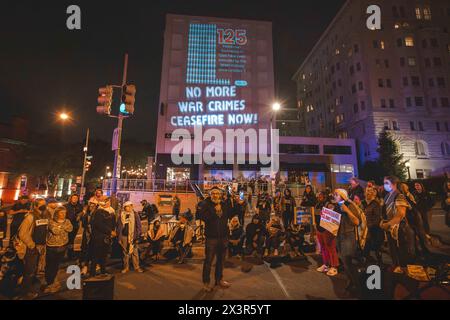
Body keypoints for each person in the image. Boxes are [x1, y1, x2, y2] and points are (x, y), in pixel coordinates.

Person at [196, 187, 232, 292]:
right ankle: (206, 283)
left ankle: (219, 280)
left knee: (221, 261)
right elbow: (203, 217)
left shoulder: (224, 204)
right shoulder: (206, 205)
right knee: (208, 261)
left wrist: (240, 205)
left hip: (223, 237)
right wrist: (214, 211)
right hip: (211, 238)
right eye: (213, 193)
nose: (215, 195)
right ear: (210, 195)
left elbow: (230, 214)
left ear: (220, 195)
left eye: (217, 193)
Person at [17, 198, 51, 299]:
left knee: (35, 270)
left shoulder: (45, 215)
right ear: (35, 206)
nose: (44, 206)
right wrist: (31, 245)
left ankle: (29, 288)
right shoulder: (30, 217)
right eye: (41, 205)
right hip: (31, 247)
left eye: (45, 204)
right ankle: (24, 293)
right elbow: (22, 233)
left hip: (41, 246)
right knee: (30, 271)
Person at [380, 176, 414, 274]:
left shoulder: (399, 196)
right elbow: (385, 211)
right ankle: (396, 265)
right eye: (384, 183)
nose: (384, 185)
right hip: (391, 227)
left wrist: (388, 224)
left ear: (394, 184)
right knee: (393, 248)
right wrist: (383, 221)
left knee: (401, 249)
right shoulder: (387, 196)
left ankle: (404, 270)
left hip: (399, 228)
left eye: (386, 183)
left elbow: (400, 214)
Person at [332, 189, 361, 291]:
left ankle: (357, 284)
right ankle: (351, 281)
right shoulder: (336, 206)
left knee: (348, 261)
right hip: (339, 236)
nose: (334, 196)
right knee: (344, 261)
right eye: (334, 194)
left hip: (348, 236)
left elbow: (357, 222)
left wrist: (347, 210)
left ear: (343, 195)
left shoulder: (350, 205)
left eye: (336, 194)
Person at [43, 206, 73, 293]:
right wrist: (63, 227)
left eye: (65, 213)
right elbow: (55, 231)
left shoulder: (67, 221)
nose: (63, 214)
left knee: (56, 264)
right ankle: (49, 282)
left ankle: (53, 280)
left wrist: (61, 227)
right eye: (61, 213)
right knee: (50, 265)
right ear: (57, 213)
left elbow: (70, 228)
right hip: (52, 246)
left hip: (62, 246)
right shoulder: (51, 221)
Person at [90, 197, 116, 276]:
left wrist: (112, 231)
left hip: (106, 237)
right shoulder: (98, 212)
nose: (106, 202)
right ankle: (93, 272)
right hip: (98, 237)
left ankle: (103, 270)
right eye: (104, 201)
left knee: (104, 255)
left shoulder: (111, 212)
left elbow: (112, 224)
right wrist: (110, 231)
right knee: (96, 255)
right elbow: (99, 224)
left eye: (108, 201)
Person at [314, 192, 339, 275]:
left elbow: (333, 215)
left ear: (324, 196)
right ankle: (326, 264)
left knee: (331, 248)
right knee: (324, 248)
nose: (319, 197)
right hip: (319, 229)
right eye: (318, 196)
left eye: (321, 196)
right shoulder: (317, 204)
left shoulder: (329, 204)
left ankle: (334, 266)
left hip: (327, 229)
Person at [117, 201, 144, 273]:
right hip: (124, 236)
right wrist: (119, 237)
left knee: (134, 252)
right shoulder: (121, 215)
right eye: (126, 206)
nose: (127, 208)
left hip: (133, 236)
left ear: (131, 207)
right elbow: (119, 227)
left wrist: (137, 236)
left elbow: (139, 226)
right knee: (125, 252)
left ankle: (137, 267)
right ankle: (126, 267)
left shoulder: (135, 215)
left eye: (129, 206)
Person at [361, 187, 383, 265]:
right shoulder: (362, 203)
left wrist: (368, 226)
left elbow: (377, 218)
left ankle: (380, 263)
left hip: (374, 229)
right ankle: (366, 262)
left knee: (377, 248)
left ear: (373, 193)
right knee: (365, 247)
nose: (368, 192)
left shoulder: (376, 204)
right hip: (364, 229)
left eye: (370, 191)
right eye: (367, 191)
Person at [64, 194, 83, 260]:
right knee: (65, 239)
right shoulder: (66, 206)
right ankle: (63, 254)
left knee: (72, 240)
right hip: (67, 225)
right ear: (71, 198)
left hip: (75, 225)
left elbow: (81, 214)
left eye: (76, 198)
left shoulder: (80, 206)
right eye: (73, 198)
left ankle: (70, 254)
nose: (75, 199)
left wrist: (80, 216)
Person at [80, 201, 96, 275]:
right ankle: (85, 266)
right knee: (86, 250)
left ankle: (92, 268)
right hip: (87, 234)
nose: (92, 208)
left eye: (93, 206)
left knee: (93, 251)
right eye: (90, 206)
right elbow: (83, 224)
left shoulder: (97, 214)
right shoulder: (86, 215)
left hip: (94, 235)